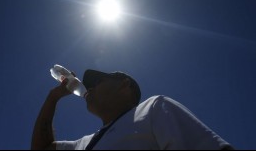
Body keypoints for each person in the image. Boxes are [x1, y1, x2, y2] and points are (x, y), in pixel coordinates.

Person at [31, 69, 233, 150]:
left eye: (99, 81)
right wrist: (54, 96)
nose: (90, 88)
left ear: (124, 85)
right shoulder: (83, 144)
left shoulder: (154, 108)